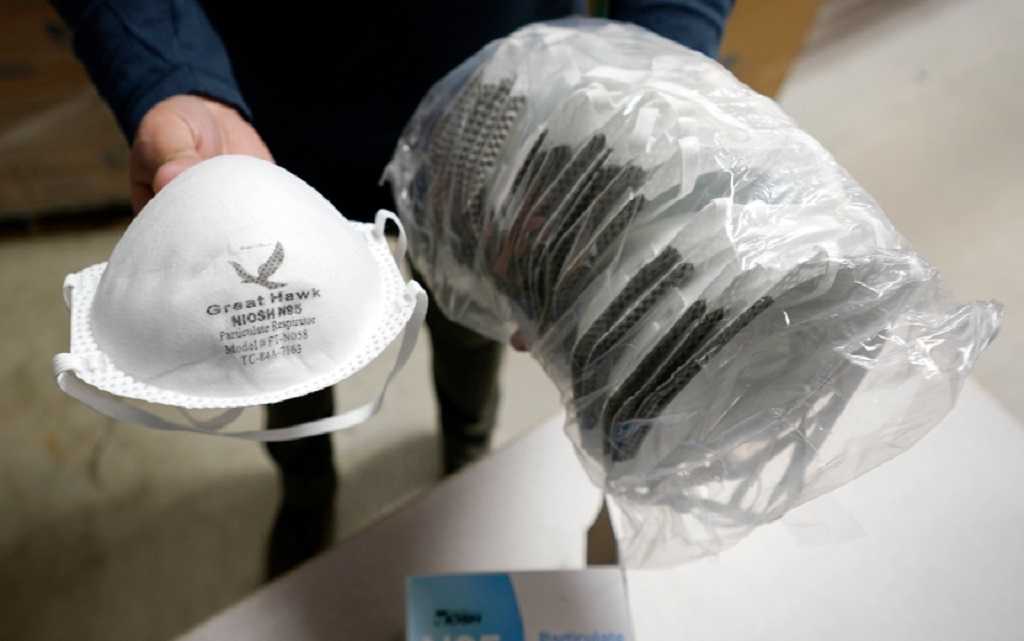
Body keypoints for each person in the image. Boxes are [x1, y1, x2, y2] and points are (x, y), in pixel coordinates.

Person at [52, 1, 734, 578]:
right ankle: (306, 483)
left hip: (505, 132)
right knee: (274, 338)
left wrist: (649, 104)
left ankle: (465, 440)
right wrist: (174, 72)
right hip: (264, 128)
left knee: (471, 328)